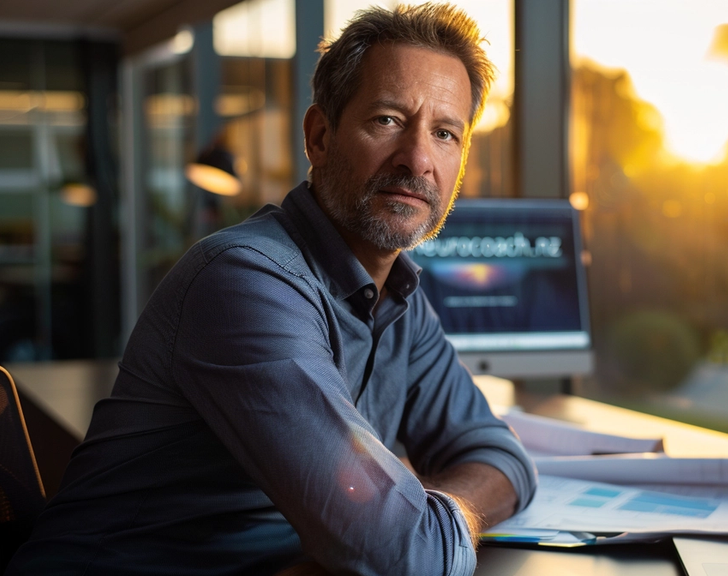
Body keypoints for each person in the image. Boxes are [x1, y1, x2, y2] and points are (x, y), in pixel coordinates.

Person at [7, 4, 537, 575]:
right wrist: (409, 520)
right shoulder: (243, 280)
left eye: (444, 133)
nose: (418, 158)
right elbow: (404, 557)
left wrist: (436, 510)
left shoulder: (400, 300)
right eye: (386, 120)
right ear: (319, 137)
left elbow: (503, 457)